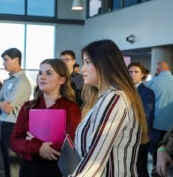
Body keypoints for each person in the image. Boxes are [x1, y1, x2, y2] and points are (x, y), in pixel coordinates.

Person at [71, 39, 149, 176]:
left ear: (104, 65)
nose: (82, 69)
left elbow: (94, 161)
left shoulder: (115, 98)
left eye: (87, 62)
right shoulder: (103, 98)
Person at [10, 58, 81, 177]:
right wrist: (39, 148)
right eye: (40, 73)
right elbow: (14, 141)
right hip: (29, 170)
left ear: (61, 80)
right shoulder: (28, 107)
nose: (42, 77)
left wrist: (34, 144)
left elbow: (70, 144)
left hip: (57, 170)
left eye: (48, 73)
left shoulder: (71, 108)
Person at [0, 48, 31, 177]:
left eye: (6, 60)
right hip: (6, 126)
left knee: (13, 164)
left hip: (14, 127)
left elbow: (8, 106)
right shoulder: (9, 81)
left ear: (16, 60)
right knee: (7, 162)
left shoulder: (22, 82)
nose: (3, 63)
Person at [128, 62, 155, 177]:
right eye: (130, 72)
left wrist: (144, 133)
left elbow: (147, 115)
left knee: (140, 168)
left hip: (140, 135)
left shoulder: (147, 92)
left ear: (142, 75)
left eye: (136, 72)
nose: (132, 74)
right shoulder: (126, 90)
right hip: (128, 134)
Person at [146, 61, 173, 165]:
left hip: (156, 124)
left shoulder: (153, 82)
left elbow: (147, 104)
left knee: (156, 154)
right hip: (171, 128)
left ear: (158, 70)